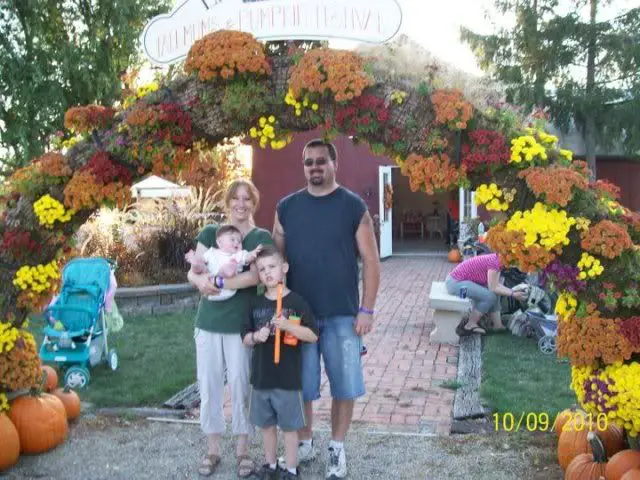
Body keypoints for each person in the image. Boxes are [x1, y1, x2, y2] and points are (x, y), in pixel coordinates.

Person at [272, 139, 381, 479]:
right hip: (297, 316)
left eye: (321, 161)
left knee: (344, 386)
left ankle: (336, 448)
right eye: (309, 163)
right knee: (302, 385)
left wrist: (367, 309)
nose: (314, 167)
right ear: (303, 166)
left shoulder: (353, 206)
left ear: (335, 163)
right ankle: (304, 440)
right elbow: (275, 262)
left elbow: (371, 260)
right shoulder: (286, 208)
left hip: (342, 314)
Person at [187, 178, 273, 478]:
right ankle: (212, 449)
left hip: (241, 326)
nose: (240, 203)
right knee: (209, 385)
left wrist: (220, 281)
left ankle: (243, 449)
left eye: (246, 198)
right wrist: (200, 281)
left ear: (254, 202)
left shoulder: (260, 237)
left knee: (240, 383)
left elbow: (255, 278)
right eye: (235, 198)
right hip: (208, 323)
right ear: (227, 202)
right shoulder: (211, 233)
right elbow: (194, 268)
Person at [241, 246, 318, 479]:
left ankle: (292, 469)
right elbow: (245, 338)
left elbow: (312, 335)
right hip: (262, 377)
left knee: (289, 427)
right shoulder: (254, 304)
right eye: (262, 269)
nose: (267, 273)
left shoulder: (297, 301)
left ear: (284, 269)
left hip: (287, 379)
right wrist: (256, 336)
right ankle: (270, 465)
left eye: (272, 267)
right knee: (266, 425)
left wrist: (289, 326)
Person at [445, 252, 527, 335]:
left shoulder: (498, 260)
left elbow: (496, 285)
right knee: (489, 297)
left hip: (460, 283)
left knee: (494, 293)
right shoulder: (495, 262)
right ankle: (470, 325)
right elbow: (493, 287)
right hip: (456, 286)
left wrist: (512, 291)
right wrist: (513, 294)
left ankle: (497, 325)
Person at [185, 224, 263, 301]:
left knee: (231, 265)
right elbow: (203, 259)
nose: (236, 242)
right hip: (210, 289)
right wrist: (198, 261)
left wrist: (252, 254)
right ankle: (195, 264)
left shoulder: (238, 254)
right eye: (232, 239)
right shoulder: (212, 252)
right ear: (219, 242)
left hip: (226, 290)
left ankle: (222, 273)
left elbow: (246, 258)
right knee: (202, 267)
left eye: (239, 241)